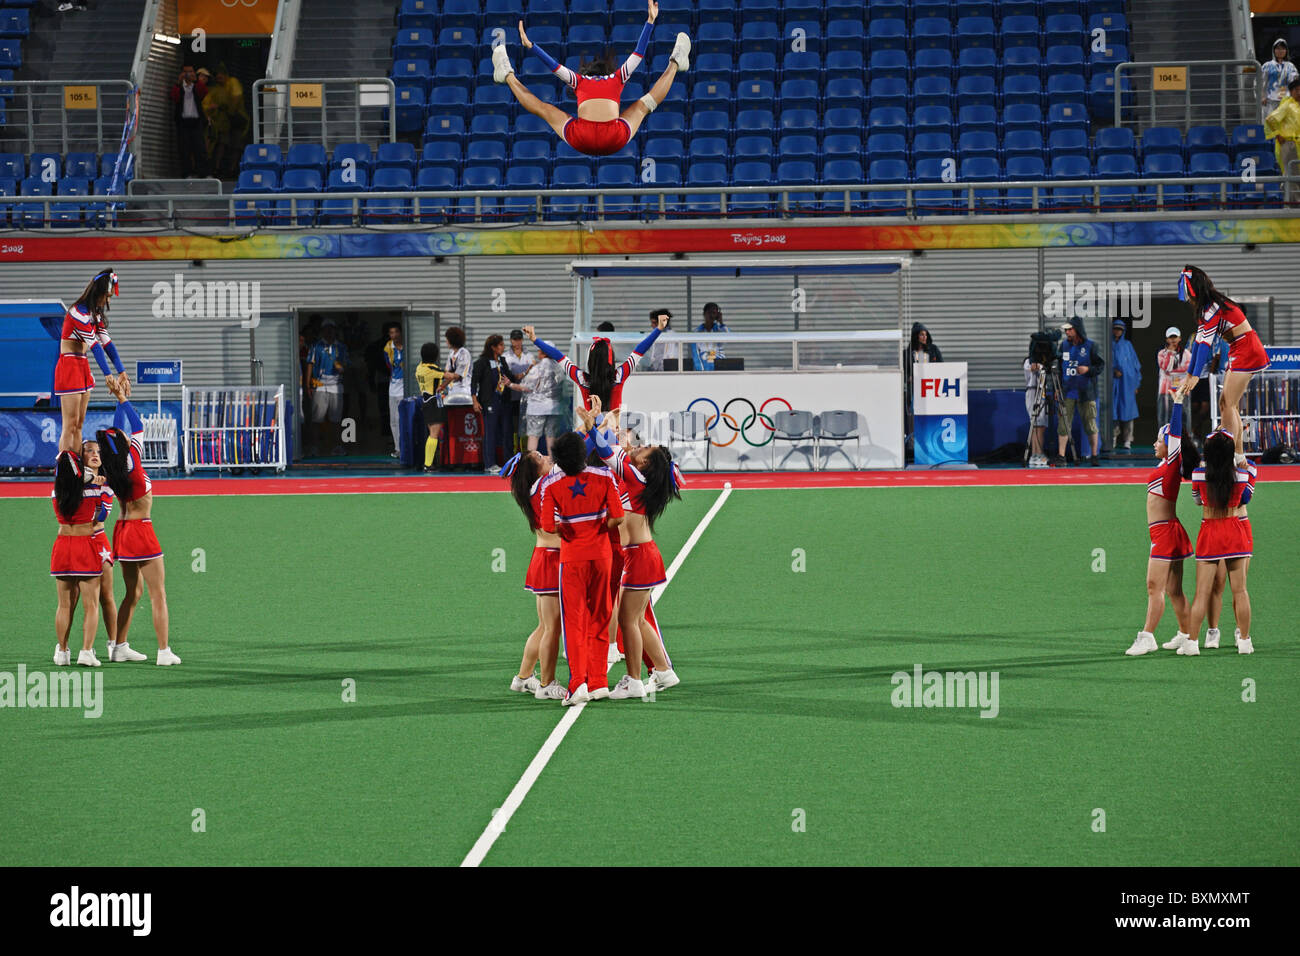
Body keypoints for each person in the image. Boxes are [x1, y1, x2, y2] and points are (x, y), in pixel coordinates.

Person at [494, 1, 690, 158]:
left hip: (582, 137)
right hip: (613, 137)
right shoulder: (616, 78)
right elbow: (639, 54)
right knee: (644, 105)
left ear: (587, 72)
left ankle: (507, 74)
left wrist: (531, 45)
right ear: (607, 70)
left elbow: (553, 66)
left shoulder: (579, 81)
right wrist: (650, 21)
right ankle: (675, 62)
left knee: (543, 109)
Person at [580, 402, 682, 698]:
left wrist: (592, 425)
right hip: (641, 555)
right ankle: (663, 671)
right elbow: (614, 446)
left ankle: (634, 681)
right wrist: (599, 420)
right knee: (635, 618)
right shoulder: (636, 477)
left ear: (646, 464)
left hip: (640, 557)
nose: (639, 448)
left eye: (645, 450)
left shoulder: (637, 477)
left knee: (627, 620)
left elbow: (607, 451)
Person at [95, 387, 181, 665]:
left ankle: (119, 646)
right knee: (158, 594)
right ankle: (164, 651)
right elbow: (138, 424)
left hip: (121, 531)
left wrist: (116, 402)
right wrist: (122, 399)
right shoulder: (133, 457)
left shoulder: (112, 467)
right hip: (141, 529)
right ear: (122, 443)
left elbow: (117, 431)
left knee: (134, 592)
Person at [539, 431, 625, 705]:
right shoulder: (605, 477)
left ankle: (578, 683)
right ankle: (599, 682)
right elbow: (618, 517)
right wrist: (600, 529)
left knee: (574, 621)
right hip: (602, 555)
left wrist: (568, 531)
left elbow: (547, 526)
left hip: (572, 557)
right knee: (601, 615)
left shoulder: (551, 484)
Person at [1173, 266, 1270, 464]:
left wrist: (1193, 376)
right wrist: (1191, 374)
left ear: (1193, 289)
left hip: (1246, 348)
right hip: (1238, 347)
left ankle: (1231, 456)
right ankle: (1238, 455)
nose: (1186, 298)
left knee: (1228, 404)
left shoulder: (1212, 308)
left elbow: (1205, 345)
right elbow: (1199, 344)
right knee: (1226, 404)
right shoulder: (1205, 310)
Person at [1172, 431, 1257, 656]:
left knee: (1202, 593)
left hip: (1210, 533)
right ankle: (1245, 641)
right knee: (1240, 591)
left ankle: (1192, 643)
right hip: (1235, 532)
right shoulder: (1243, 474)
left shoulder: (1199, 474)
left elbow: (1197, 501)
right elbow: (1245, 498)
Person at [1124, 401, 1196, 656]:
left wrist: (1177, 402)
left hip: (1165, 532)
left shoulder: (1173, 463)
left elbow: (1176, 432)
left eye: (1159, 441)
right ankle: (1187, 636)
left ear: (1170, 445)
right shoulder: (1163, 464)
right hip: (1166, 530)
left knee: (1154, 586)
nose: (1155, 444)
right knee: (1174, 589)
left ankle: (1147, 637)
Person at [502, 451, 568, 701]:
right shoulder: (544, 487)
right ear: (535, 470)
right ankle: (546, 683)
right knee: (552, 627)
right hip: (551, 559)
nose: (547, 457)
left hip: (543, 557)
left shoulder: (536, 487)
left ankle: (522, 678)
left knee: (545, 626)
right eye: (541, 457)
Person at [525, 313, 667, 411]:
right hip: (616, 436)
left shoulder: (582, 378)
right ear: (611, 359)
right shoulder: (620, 375)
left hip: (592, 436)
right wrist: (659, 329)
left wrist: (535, 340)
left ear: (590, 360)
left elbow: (558, 356)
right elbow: (640, 350)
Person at [55, 269, 128, 455]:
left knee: (79, 425)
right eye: (107, 296)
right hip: (70, 365)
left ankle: (79, 473)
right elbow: (95, 346)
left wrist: (122, 372)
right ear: (99, 292)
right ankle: (63, 475)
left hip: (82, 365)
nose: (108, 301)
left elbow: (107, 344)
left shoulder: (95, 315)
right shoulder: (78, 312)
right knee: (69, 425)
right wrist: (108, 375)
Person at [50, 450, 105, 667]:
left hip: (62, 545)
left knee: (64, 605)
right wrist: (94, 479)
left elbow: (62, 472)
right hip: (85, 545)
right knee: (90, 605)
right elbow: (101, 513)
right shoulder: (94, 489)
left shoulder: (57, 492)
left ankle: (62, 652)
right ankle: (86, 651)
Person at [471, 335, 524, 473]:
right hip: (489, 401)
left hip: (505, 401)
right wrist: (475, 400)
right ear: (493, 347)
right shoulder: (481, 362)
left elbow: (509, 377)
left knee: (507, 432)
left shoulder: (502, 360)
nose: (503, 347)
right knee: (491, 433)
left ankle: (508, 462)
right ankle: (489, 464)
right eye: (500, 345)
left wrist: (523, 374)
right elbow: (474, 382)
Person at [1055, 318, 1103, 465]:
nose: (1067, 332)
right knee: (1063, 423)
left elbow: (1100, 366)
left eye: (1070, 329)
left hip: (1086, 392)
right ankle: (1061, 456)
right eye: (1066, 330)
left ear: (1077, 330)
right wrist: (1057, 388)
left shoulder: (1091, 346)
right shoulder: (1063, 346)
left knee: (1090, 424)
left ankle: (1094, 455)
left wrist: (1088, 369)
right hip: (1067, 391)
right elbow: (1057, 368)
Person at [306, 321, 347, 456]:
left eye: (331, 329)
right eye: (326, 329)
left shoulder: (341, 347)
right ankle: (314, 447)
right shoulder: (316, 346)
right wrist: (307, 384)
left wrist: (341, 368)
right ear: (322, 331)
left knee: (336, 419)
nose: (329, 332)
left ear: (335, 330)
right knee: (317, 419)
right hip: (320, 385)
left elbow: (345, 365)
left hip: (336, 386)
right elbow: (310, 364)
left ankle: (336, 446)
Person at [202, 63, 249, 179]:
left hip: (236, 120)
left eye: (221, 76)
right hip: (222, 123)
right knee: (221, 144)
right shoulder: (216, 90)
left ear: (225, 75)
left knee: (236, 145)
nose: (219, 79)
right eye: (217, 78)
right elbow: (206, 104)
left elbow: (237, 96)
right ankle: (217, 168)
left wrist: (230, 109)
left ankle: (233, 169)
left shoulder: (233, 83)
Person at [518, 351, 567, 453]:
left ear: (544, 353)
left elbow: (526, 386)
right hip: (555, 408)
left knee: (533, 436)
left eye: (539, 351)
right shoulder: (559, 368)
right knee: (551, 436)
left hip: (536, 408)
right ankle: (553, 463)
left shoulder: (537, 368)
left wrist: (510, 385)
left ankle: (531, 463)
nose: (537, 354)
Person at [1264, 76, 1300, 205]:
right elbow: (1270, 119)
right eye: (1297, 90)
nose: (1299, 92)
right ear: (1291, 91)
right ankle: (1294, 205)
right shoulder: (1287, 104)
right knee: (1292, 175)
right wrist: (1278, 134)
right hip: (1290, 144)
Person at [170, 65, 208, 178]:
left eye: (190, 72)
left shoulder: (196, 86)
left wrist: (196, 81)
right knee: (184, 149)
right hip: (183, 122)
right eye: (185, 72)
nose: (188, 74)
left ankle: (203, 172)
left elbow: (204, 93)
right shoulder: (179, 87)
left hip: (196, 120)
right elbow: (174, 97)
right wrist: (178, 82)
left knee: (200, 148)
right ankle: (187, 173)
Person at [1110, 319, 1142, 450]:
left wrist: (1136, 384)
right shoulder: (1108, 344)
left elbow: (1136, 365)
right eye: (1115, 328)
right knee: (1113, 412)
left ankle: (1128, 440)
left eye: (1120, 329)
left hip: (1127, 385)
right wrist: (1112, 371)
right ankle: (1112, 438)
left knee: (1128, 412)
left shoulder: (1128, 345)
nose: (1117, 331)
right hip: (1113, 384)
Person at [415, 343, 446, 473]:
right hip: (434, 402)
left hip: (425, 401)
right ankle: (428, 464)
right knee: (434, 434)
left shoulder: (419, 367)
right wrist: (445, 384)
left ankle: (429, 463)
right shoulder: (433, 370)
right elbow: (450, 376)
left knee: (432, 434)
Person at [503, 330, 535, 453]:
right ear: (511, 340)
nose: (517, 342)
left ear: (522, 340)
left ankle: (526, 453)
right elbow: (509, 375)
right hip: (512, 396)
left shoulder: (529, 356)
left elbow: (534, 372)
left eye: (519, 339)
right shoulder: (506, 356)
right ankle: (516, 453)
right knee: (515, 426)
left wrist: (525, 374)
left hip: (527, 396)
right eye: (514, 339)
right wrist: (523, 373)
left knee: (526, 426)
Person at [1156, 326, 1191, 432]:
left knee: (1184, 416)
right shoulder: (1162, 354)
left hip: (1182, 390)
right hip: (1165, 391)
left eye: (1175, 337)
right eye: (1170, 337)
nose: (1173, 340)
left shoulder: (1186, 354)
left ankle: (1185, 440)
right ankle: (1164, 440)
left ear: (1179, 338)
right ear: (1167, 339)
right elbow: (1166, 367)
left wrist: (1174, 372)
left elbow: (1188, 369)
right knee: (1165, 417)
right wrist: (1170, 354)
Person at [1023, 349, 1049, 468]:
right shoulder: (1029, 362)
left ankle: (1035, 453)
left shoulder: (1045, 362)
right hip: (1033, 392)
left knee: (1039, 426)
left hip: (1041, 392)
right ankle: (1036, 454)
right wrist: (1037, 365)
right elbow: (1032, 368)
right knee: (1036, 425)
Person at [1261, 39, 1298, 121]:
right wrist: (1262, 96)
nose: (1280, 51)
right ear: (1274, 50)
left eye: (1282, 49)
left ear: (1286, 51)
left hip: (1286, 101)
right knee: (1270, 126)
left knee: (1285, 126)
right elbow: (1260, 82)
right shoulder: (1267, 66)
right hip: (1269, 101)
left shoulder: (1290, 66)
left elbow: (1295, 83)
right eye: (1278, 48)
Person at [383, 324, 405, 459]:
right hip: (393, 386)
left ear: (401, 333)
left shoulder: (408, 344)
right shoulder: (387, 348)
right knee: (394, 420)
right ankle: (398, 448)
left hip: (405, 385)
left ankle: (406, 447)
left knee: (402, 418)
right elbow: (388, 366)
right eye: (391, 333)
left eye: (396, 332)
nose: (394, 335)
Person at [440, 327, 473, 406]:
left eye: (447, 339)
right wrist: (442, 386)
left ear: (452, 340)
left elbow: (457, 376)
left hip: (463, 391)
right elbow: (448, 374)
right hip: (452, 390)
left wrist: (438, 372)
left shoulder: (464, 353)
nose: (446, 342)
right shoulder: (451, 353)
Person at [692, 302, 729, 372]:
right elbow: (695, 354)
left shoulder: (719, 330)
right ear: (704, 314)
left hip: (718, 369)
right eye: (709, 313)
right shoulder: (697, 332)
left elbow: (728, 338)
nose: (711, 316)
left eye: (714, 313)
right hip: (702, 370)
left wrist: (721, 322)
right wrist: (701, 370)